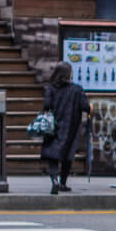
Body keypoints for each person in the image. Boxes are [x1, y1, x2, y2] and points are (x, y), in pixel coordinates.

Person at [41, 62, 90, 195]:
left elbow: (47, 105)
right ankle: (63, 183)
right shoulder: (77, 89)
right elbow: (85, 107)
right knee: (67, 156)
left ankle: (55, 180)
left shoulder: (50, 88)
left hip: (53, 127)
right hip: (70, 128)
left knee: (52, 155)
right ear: (69, 74)